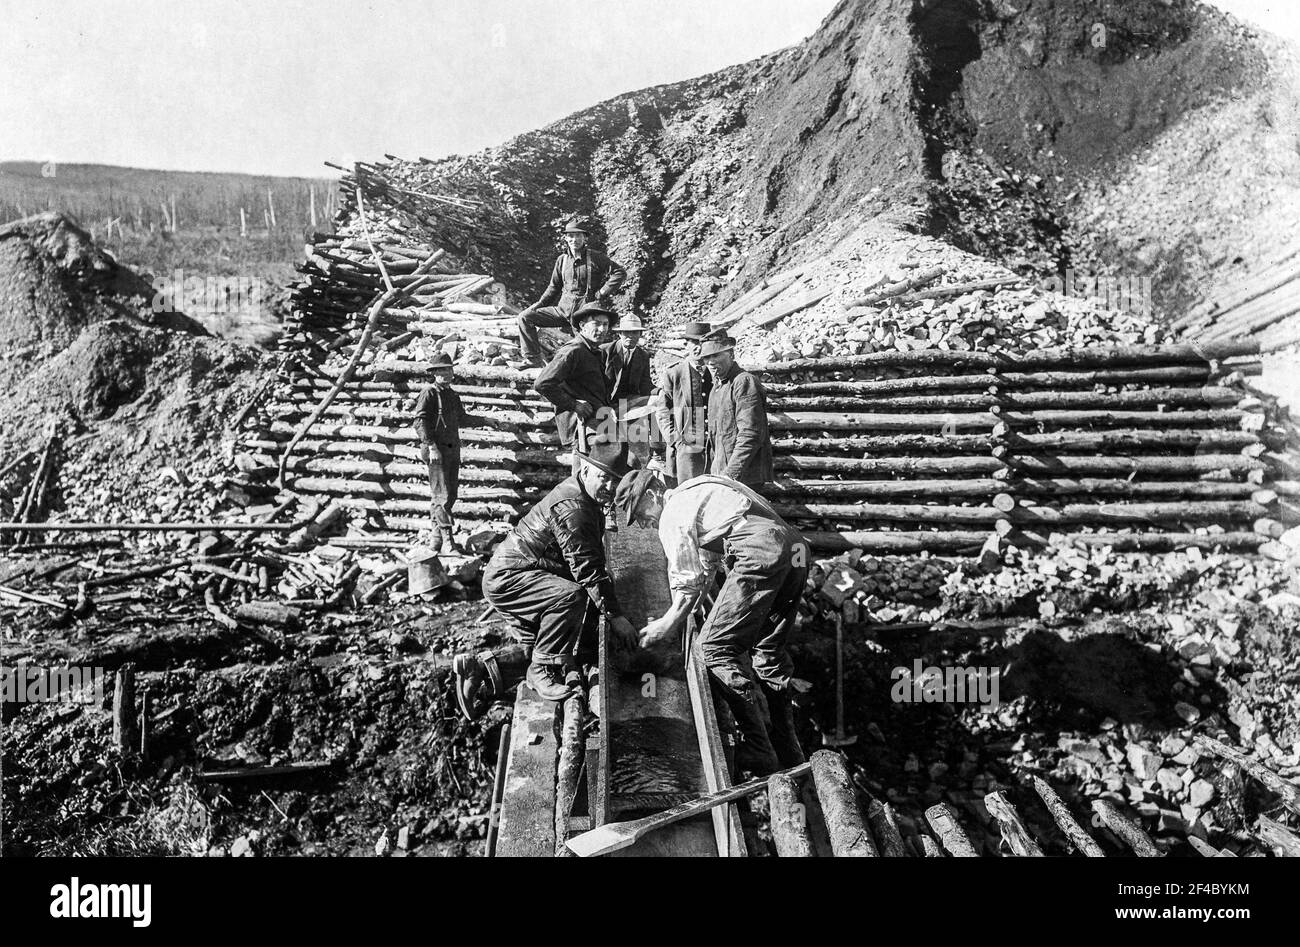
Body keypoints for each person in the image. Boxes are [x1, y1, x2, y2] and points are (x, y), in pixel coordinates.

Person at [612, 467, 807, 775]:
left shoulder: (673, 514)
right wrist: (684, 612)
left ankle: (759, 749)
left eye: (641, 513)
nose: (646, 524)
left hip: (760, 552)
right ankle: (791, 752)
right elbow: (706, 569)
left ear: (652, 494)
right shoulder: (701, 490)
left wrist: (667, 625)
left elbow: (687, 581)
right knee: (768, 655)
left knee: (712, 650)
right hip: (793, 548)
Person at [451, 442, 641, 714]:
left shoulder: (585, 495)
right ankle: (540, 671)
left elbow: (589, 560)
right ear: (586, 470)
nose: (610, 488)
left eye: (616, 482)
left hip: (526, 572)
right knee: (568, 601)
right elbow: (586, 568)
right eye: (605, 479)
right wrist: (616, 616)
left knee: (548, 644)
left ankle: (478, 667)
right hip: (513, 578)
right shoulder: (573, 507)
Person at [513, 218, 627, 368]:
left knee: (586, 347)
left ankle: (598, 372)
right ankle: (533, 359)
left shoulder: (595, 257)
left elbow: (619, 272)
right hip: (563, 309)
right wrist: (539, 305)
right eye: (571, 236)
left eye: (579, 236)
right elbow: (554, 287)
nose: (575, 239)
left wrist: (602, 292)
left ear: (585, 238)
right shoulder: (562, 260)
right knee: (525, 317)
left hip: (585, 312)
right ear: (566, 238)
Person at [535, 302, 616, 470]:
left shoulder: (594, 351)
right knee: (592, 473)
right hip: (583, 425)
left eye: (605, 324)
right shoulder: (573, 351)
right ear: (582, 325)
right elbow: (543, 383)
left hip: (597, 418)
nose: (602, 329)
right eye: (597, 324)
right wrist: (574, 404)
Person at [699, 333, 774, 489]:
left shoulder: (743, 382)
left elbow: (750, 434)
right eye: (706, 357)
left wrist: (730, 475)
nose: (711, 362)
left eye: (716, 355)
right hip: (722, 474)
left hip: (743, 477)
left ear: (731, 354)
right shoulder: (717, 387)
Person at [411, 352, 462, 553]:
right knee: (442, 495)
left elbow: (462, 418)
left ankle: (435, 539)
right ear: (433, 373)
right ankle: (448, 541)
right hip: (436, 450)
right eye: (441, 370)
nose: (446, 373)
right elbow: (419, 421)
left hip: (451, 450)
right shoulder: (429, 393)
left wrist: (488, 421)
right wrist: (431, 446)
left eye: (448, 369)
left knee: (449, 495)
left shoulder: (452, 395)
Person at [654, 321, 714, 486]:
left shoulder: (716, 372)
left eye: (703, 342)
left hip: (714, 447)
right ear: (686, 345)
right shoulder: (674, 374)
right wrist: (675, 440)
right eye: (694, 343)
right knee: (688, 492)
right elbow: (662, 412)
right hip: (687, 448)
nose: (699, 348)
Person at [604, 312, 653, 409]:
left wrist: (659, 392)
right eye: (626, 332)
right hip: (605, 401)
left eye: (635, 332)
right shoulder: (605, 351)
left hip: (628, 402)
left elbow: (645, 384)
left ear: (640, 334)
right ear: (620, 334)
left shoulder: (643, 356)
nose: (630, 336)